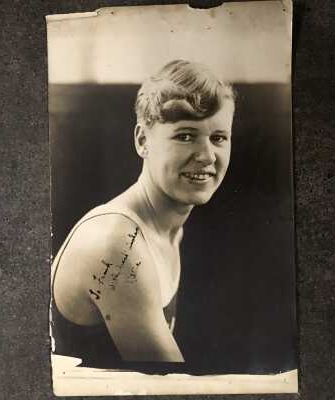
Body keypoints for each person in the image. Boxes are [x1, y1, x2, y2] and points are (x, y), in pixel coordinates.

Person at [50, 59, 235, 367]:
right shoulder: (117, 242)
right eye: (185, 135)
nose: (206, 156)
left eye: (218, 138)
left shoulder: (168, 229)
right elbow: (170, 384)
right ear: (142, 140)